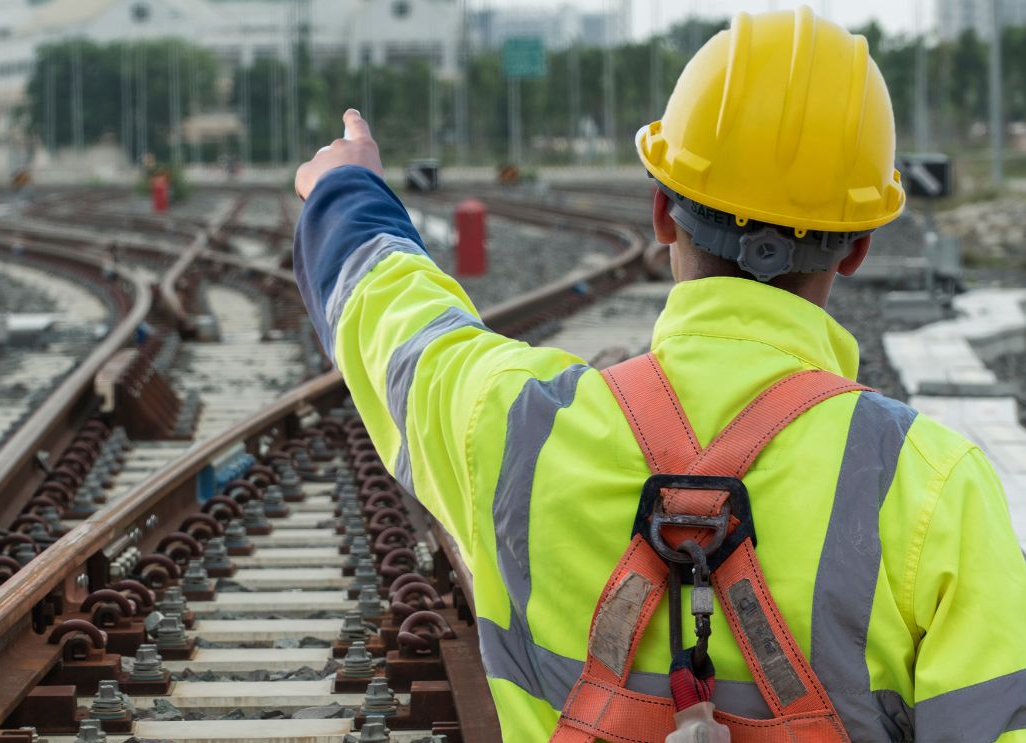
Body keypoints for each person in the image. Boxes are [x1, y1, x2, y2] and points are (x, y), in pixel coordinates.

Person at [291, 7, 1026, 742]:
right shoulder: (935, 487)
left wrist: (346, 191)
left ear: (661, 215)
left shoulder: (516, 425)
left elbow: (399, 329)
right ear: (858, 248)